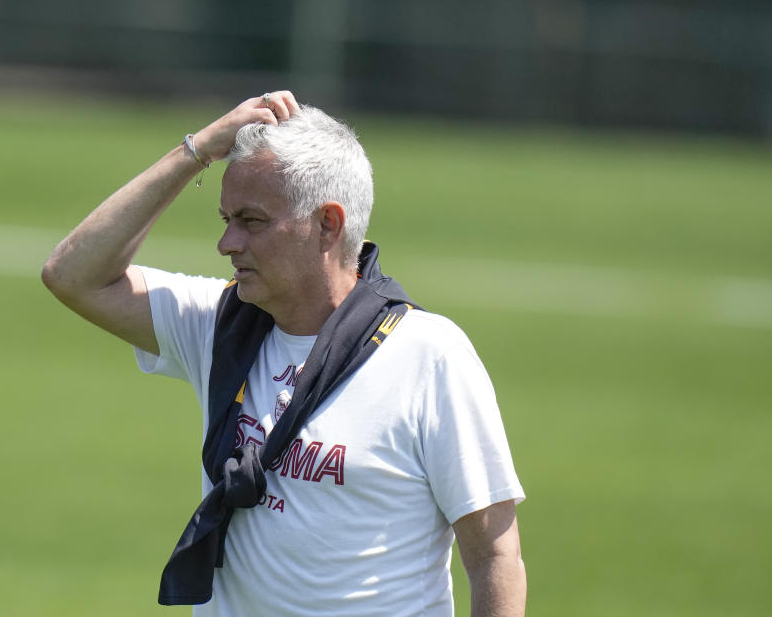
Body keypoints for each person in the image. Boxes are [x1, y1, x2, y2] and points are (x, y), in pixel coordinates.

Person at [42, 91, 526, 616]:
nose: (226, 243)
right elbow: (72, 276)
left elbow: (494, 555)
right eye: (225, 218)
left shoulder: (429, 356)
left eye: (251, 221)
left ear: (327, 225)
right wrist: (198, 150)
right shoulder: (220, 322)